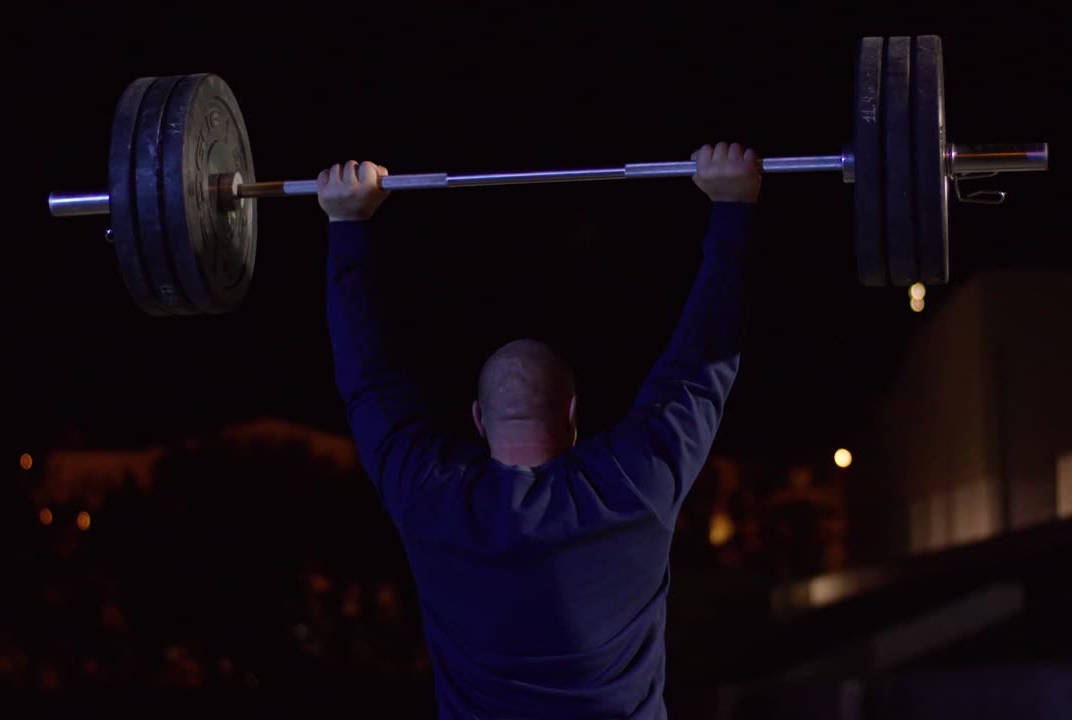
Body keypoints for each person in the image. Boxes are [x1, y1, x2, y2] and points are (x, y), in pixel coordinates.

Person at [318, 142, 760, 719]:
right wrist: (731, 209)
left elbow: (368, 379)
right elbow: (700, 368)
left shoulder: (433, 499)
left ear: (478, 420)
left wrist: (346, 223)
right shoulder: (631, 486)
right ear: (572, 414)